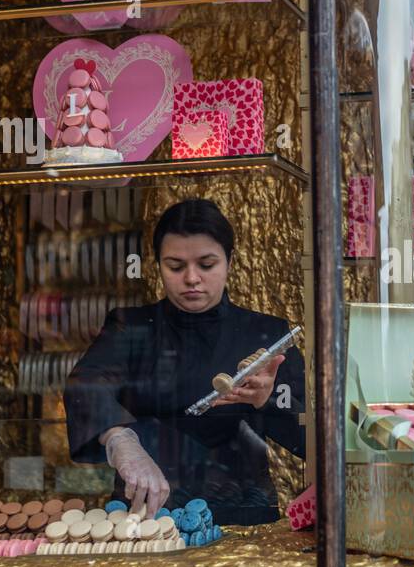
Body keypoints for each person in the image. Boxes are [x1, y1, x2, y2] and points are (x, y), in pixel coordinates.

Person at [63, 198, 304, 524]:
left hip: (241, 514)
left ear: (230, 261)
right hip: (145, 513)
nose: (191, 278)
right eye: (175, 266)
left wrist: (268, 402)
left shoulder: (266, 334)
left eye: (206, 265)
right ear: (158, 264)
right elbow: (86, 385)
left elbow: (309, 440)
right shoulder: (130, 327)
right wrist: (120, 441)